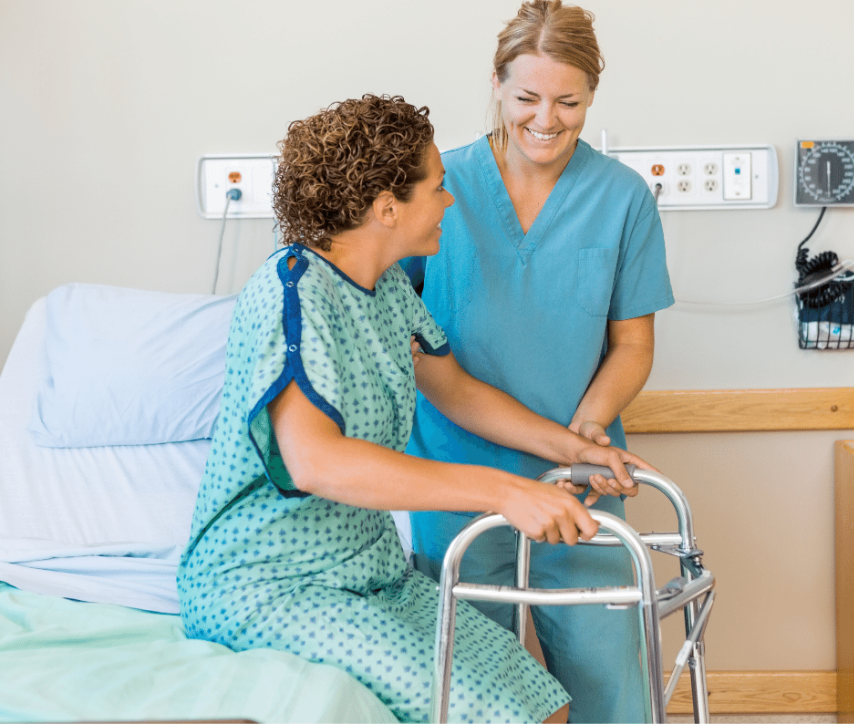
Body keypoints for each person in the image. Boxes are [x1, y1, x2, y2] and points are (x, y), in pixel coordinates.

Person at [176, 94, 652, 724]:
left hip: (372, 574)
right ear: (387, 207)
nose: (450, 201)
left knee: (545, 708)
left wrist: (576, 449)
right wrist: (505, 493)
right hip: (273, 584)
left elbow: (453, 388)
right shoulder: (292, 289)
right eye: (438, 188)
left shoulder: (390, 287)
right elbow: (315, 461)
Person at [401, 2, 675, 722]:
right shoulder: (436, 192)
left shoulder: (620, 199)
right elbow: (423, 359)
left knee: (612, 681)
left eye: (568, 101)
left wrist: (586, 432)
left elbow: (633, 344)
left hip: (581, 478)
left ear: (591, 96)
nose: (546, 119)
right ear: (496, 85)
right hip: (457, 479)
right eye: (527, 98)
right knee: (469, 693)